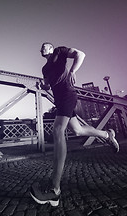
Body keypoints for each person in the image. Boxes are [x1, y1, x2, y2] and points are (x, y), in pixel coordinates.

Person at [30, 42, 119, 207]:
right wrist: (41, 87)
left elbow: (81, 54)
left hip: (68, 95)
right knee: (77, 130)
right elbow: (48, 85)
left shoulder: (59, 51)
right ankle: (107, 135)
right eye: (41, 47)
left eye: (44, 46)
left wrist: (72, 71)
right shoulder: (44, 69)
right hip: (60, 100)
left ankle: (54, 190)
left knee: (58, 130)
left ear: (51, 48)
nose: (41, 48)